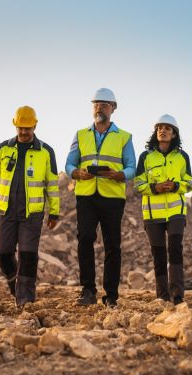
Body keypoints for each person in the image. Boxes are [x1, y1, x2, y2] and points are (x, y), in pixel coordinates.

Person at [65, 88, 136, 308]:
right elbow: (69, 163)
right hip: (86, 196)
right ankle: (87, 290)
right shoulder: (80, 134)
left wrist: (120, 175)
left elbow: (132, 167)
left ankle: (111, 295)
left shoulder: (124, 137)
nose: (99, 108)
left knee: (112, 246)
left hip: (112, 198)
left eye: (104, 104)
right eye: (96, 104)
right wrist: (76, 173)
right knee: (85, 239)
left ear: (113, 109)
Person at [0, 105, 60, 306]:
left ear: (35, 126)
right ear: (15, 126)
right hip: (6, 210)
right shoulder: (3, 149)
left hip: (32, 213)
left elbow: (52, 185)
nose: (24, 132)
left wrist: (54, 212)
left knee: (27, 255)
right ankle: (15, 286)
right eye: (21, 128)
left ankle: (25, 299)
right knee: (2, 252)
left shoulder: (46, 152)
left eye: (28, 128)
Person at [134, 114, 192, 304]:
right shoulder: (145, 157)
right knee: (158, 254)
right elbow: (137, 185)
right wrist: (155, 188)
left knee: (175, 249)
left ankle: (177, 295)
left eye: (167, 128)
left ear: (174, 133)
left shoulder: (183, 157)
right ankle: (162, 296)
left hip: (176, 212)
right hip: (153, 214)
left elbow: (189, 183)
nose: (163, 130)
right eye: (160, 127)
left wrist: (176, 186)